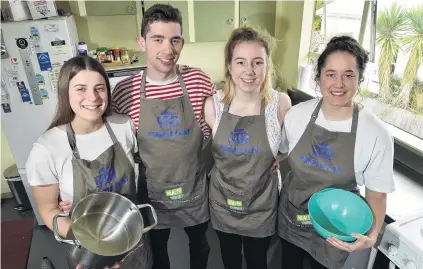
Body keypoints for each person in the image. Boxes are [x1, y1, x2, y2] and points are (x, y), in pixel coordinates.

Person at [111, 4, 216, 269]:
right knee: (158, 252)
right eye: (158, 39)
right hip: (152, 192)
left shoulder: (198, 81)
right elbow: (113, 146)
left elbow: (224, 123)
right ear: (142, 42)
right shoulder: (126, 91)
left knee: (200, 245)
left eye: (175, 40)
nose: (168, 49)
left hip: (194, 187)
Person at [277, 36, 395, 269]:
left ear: (359, 79)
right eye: (330, 74)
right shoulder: (297, 115)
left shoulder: (376, 134)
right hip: (293, 217)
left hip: (336, 231)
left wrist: (370, 236)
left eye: (348, 75)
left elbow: (377, 195)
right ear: (318, 77)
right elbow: (280, 151)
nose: (338, 83)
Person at [26, 56, 152, 269]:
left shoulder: (124, 127)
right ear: (66, 92)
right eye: (81, 89)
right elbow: (48, 211)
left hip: (134, 244)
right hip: (89, 255)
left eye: (99, 88)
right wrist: (94, 248)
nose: (92, 97)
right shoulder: (47, 149)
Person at [203, 27, 291, 269]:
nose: (249, 71)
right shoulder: (213, 107)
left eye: (257, 62)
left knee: (257, 262)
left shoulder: (280, 105)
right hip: (223, 202)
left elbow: (291, 143)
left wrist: (281, 154)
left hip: (261, 205)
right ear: (230, 67)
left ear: (267, 66)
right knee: (229, 260)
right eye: (240, 62)